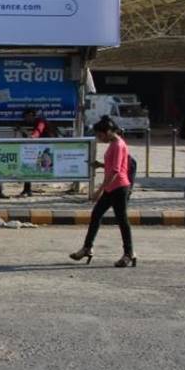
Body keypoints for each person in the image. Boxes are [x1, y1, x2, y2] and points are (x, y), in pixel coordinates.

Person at [70, 115, 136, 268]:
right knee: (96, 215)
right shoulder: (113, 143)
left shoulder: (118, 145)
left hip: (118, 188)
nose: (99, 139)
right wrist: (100, 165)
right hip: (112, 187)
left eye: (100, 135)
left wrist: (99, 191)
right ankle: (87, 248)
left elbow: (115, 171)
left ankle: (129, 253)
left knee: (122, 221)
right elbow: (113, 165)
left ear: (108, 132)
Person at [20, 108, 52, 197]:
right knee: (29, 166)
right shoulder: (37, 121)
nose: (25, 120)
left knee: (31, 165)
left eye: (26, 117)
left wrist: (32, 137)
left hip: (47, 149)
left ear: (30, 116)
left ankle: (27, 189)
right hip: (41, 148)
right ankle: (27, 189)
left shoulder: (40, 121)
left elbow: (38, 131)